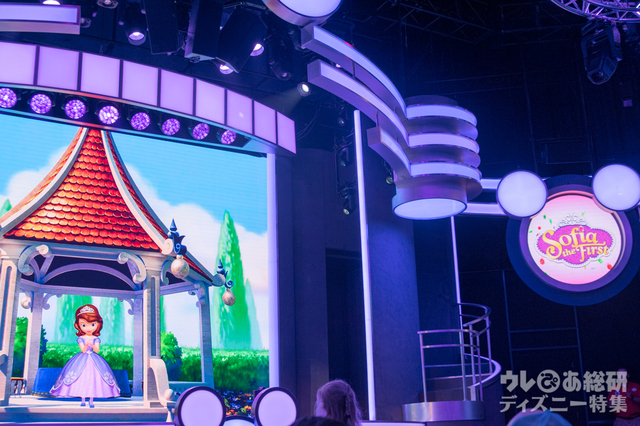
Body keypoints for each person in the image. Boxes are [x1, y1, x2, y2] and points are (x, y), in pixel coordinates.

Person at [50, 304, 120, 407]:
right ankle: (83, 400)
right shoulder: (81, 338)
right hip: (82, 359)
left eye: (92, 324)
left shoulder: (96, 339)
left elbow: (97, 350)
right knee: (82, 379)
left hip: (94, 359)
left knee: (93, 380)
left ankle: (91, 400)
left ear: (98, 325)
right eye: (83, 325)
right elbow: (83, 350)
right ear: (78, 325)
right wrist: (86, 344)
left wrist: (92, 344)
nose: (88, 328)